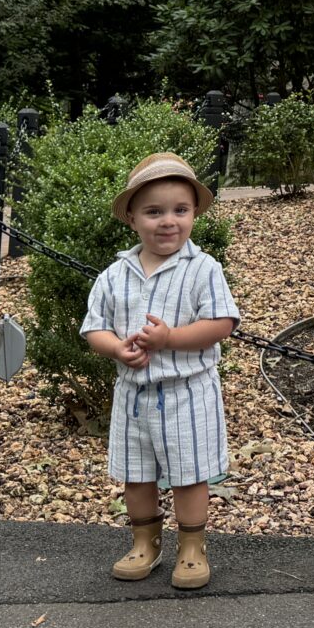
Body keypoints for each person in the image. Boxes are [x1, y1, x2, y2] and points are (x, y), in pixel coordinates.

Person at [81, 153, 238, 589]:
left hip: (187, 391)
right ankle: (144, 540)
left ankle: (192, 546)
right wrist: (116, 347)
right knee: (136, 473)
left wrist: (171, 339)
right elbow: (94, 327)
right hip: (132, 395)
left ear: (193, 214)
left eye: (180, 211)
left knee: (189, 474)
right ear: (132, 218)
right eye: (154, 212)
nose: (168, 222)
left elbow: (222, 324)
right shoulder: (114, 276)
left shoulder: (203, 269)